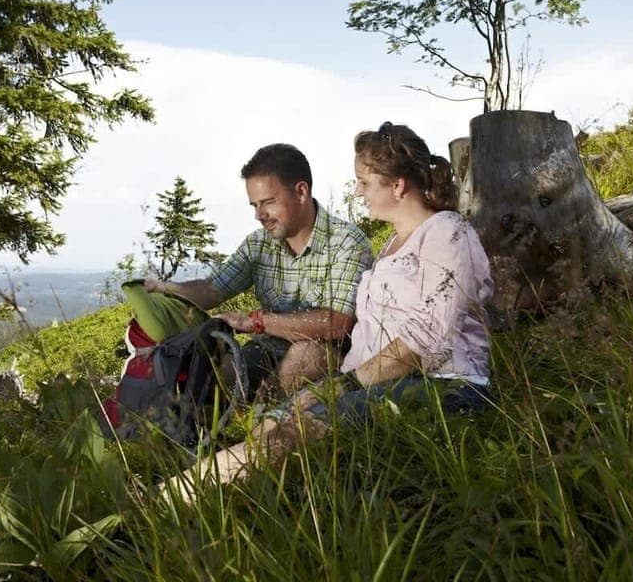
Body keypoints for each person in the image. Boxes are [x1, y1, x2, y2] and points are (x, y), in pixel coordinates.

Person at [161, 121, 494, 501]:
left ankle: (170, 498)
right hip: (377, 380)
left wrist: (340, 387)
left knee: (296, 431)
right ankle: (233, 497)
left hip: (444, 383)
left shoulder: (447, 232)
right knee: (270, 423)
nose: (358, 192)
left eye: (364, 183)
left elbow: (422, 343)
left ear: (398, 186)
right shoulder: (391, 246)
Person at [145, 143, 373, 398]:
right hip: (266, 350)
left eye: (268, 202)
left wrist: (255, 322)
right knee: (210, 375)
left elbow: (337, 324)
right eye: (254, 205)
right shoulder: (258, 244)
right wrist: (165, 289)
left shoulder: (347, 242)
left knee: (305, 355)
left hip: (329, 356)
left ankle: (269, 413)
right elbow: (211, 289)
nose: (259, 215)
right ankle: (240, 412)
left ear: (301, 192)